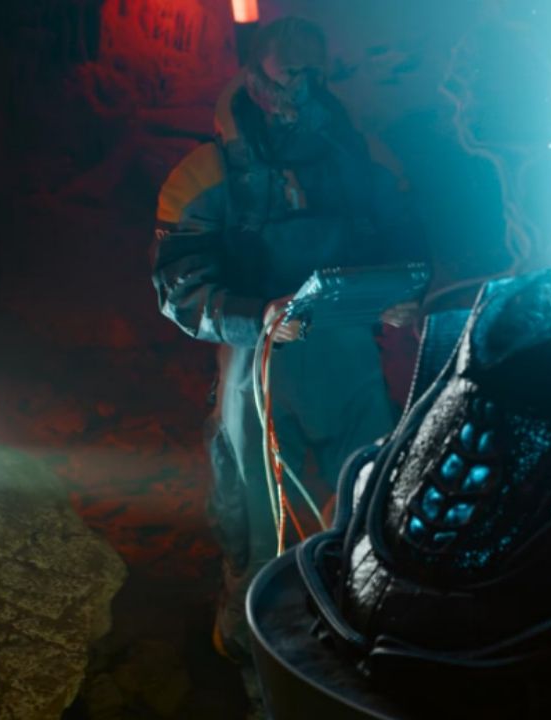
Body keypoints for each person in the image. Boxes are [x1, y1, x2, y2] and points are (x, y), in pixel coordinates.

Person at [150, 16, 426, 675]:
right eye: (284, 76)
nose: (297, 93)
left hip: (347, 354)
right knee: (255, 513)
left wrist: (405, 293)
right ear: (252, 76)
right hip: (256, 360)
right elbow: (179, 287)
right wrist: (257, 316)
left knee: (367, 496)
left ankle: (355, 638)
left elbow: (406, 237)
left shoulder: (363, 160)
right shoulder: (205, 174)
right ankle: (250, 647)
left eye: (311, 76)